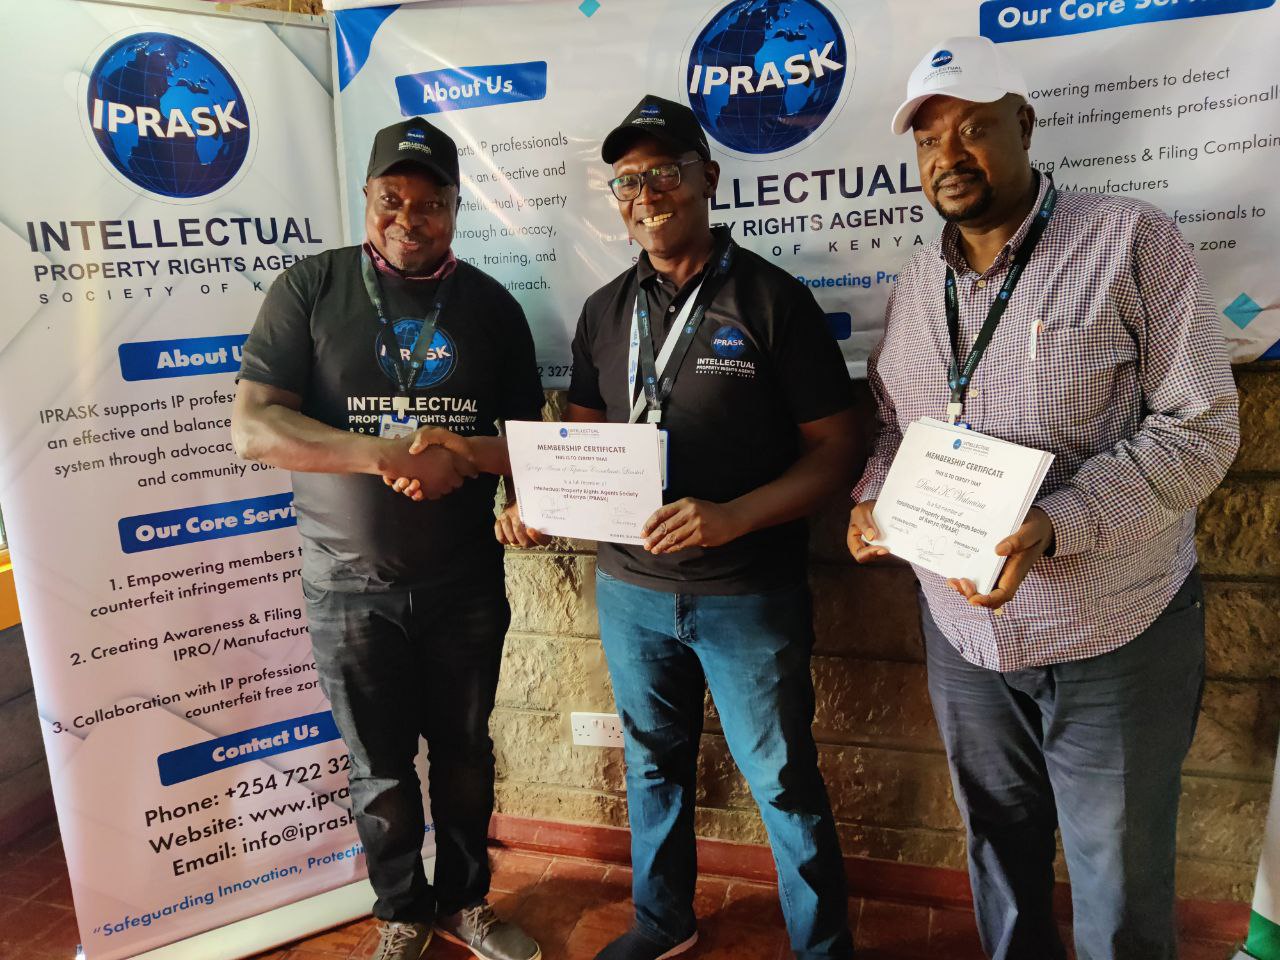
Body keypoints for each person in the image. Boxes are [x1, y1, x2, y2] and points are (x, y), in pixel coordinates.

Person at [847, 36, 1240, 960]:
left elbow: (1201, 427)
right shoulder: (917, 280)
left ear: (1023, 125)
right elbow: (898, 425)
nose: (949, 156)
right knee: (999, 860)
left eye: (973, 129)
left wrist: (1057, 523)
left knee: (1119, 883)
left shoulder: (1130, 240)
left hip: (1114, 634)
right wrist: (874, 500)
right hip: (966, 639)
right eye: (929, 140)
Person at [488, 93, 860, 960]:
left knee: (781, 778)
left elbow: (839, 451)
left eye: (663, 173)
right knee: (651, 764)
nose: (645, 194)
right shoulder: (604, 309)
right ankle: (663, 922)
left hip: (748, 595)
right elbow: (581, 442)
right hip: (631, 593)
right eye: (627, 181)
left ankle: (823, 947)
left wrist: (733, 517)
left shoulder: (773, 300)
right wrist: (540, 504)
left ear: (707, 178)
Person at [232, 117, 544, 960]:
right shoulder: (311, 287)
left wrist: (512, 492)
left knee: (466, 755)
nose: (411, 218)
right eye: (392, 199)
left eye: (432, 202)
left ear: (457, 208)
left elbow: (527, 437)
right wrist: (382, 455)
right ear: (366, 196)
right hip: (345, 587)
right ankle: (402, 910)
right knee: (378, 770)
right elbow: (254, 429)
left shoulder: (492, 305)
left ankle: (467, 902)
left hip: (463, 585)